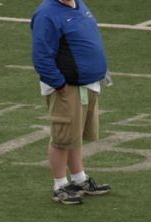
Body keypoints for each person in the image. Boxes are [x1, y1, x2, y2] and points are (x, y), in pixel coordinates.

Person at [31, 0, 112, 205]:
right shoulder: (47, 14)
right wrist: (58, 84)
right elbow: (41, 55)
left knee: (74, 135)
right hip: (67, 87)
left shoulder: (79, 5)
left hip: (86, 83)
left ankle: (79, 179)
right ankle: (60, 185)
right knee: (62, 136)